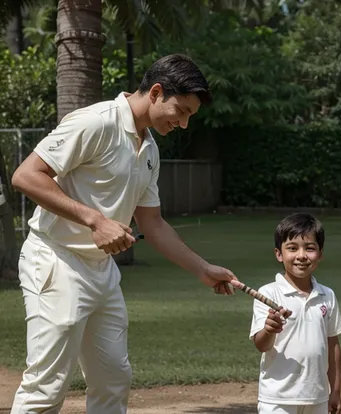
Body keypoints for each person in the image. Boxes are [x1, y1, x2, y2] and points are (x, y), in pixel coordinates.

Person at [10, 54, 241, 413]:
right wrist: (95, 220)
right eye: (180, 110)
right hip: (56, 261)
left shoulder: (149, 147)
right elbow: (25, 176)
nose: (182, 123)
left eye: (189, 116)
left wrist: (202, 269)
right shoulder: (95, 122)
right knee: (47, 387)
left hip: (102, 273)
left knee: (113, 380)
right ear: (156, 92)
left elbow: (153, 224)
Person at [249, 213, 341, 414]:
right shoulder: (268, 293)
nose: (301, 256)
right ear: (279, 254)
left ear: (320, 253)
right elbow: (261, 344)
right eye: (292, 248)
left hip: (317, 397)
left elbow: (332, 344)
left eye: (309, 248)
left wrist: (334, 391)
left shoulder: (327, 295)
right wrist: (269, 330)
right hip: (278, 398)